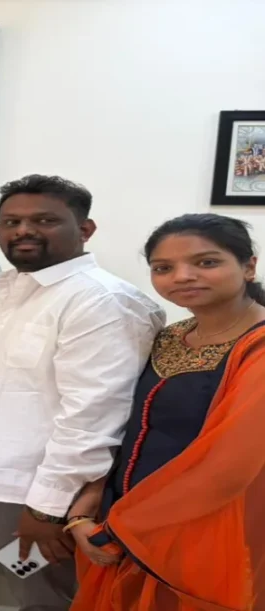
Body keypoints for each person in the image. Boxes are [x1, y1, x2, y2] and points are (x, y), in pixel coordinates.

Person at [0, 175, 166, 611]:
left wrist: (47, 509)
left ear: (85, 229)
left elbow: (93, 418)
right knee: (25, 587)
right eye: (11, 222)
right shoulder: (14, 289)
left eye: (44, 220)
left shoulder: (100, 301)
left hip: (37, 496)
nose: (23, 231)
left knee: (49, 598)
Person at [69, 214, 265, 610]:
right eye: (163, 268)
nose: (182, 276)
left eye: (206, 262)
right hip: (124, 519)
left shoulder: (257, 348)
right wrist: (90, 497)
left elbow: (228, 467)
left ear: (248, 267)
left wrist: (124, 529)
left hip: (205, 531)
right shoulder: (171, 336)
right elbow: (127, 424)